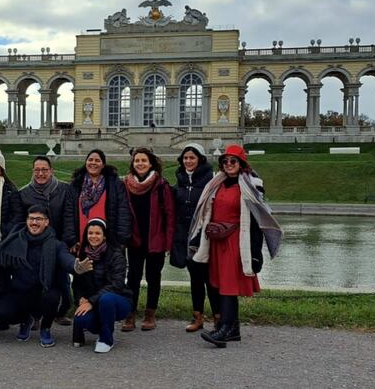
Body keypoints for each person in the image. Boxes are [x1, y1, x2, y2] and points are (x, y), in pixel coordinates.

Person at [0, 206, 93, 348]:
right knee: (2, 315)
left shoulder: (56, 245)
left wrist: (75, 266)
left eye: (38, 219)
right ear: (26, 221)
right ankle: (26, 319)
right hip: (20, 289)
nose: (34, 222)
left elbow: (66, 259)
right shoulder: (14, 241)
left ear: (46, 222)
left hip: (44, 290)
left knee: (52, 296)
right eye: (31, 218)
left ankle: (45, 328)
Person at [189, 145, 283, 348]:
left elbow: (257, 221)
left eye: (233, 161)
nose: (228, 165)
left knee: (229, 287)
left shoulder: (250, 186)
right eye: (225, 162)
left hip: (236, 242)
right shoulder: (216, 184)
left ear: (241, 164)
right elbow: (205, 213)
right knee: (220, 284)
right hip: (216, 240)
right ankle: (234, 330)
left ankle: (224, 328)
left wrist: (256, 252)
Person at [121, 148, 175, 332]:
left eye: (144, 160)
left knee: (154, 277)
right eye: (137, 160)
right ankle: (130, 313)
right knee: (133, 278)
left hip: (155, 240)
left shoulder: (161, 184)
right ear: (132, 163)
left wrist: (168, 242)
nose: (140, 163)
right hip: (135, 239)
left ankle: (150, 313)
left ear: (151, 163)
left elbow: (169, 214)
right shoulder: (126, 184)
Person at [19, 155, 76, 325]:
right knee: (36, 280)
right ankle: (36, 314)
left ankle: (62, 310)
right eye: (37, 170)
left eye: (44, 170)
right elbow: (22, 221)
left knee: (63, 281)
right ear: (32, 171)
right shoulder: (24, 193)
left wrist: (68, 241)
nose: (41, 173)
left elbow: (69, 217)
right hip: (34, 244)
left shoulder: (64, 189)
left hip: (59, 242)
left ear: (51, 171)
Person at [170, 143, 214, 332]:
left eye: (192, 158)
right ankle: (198, 317)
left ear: (200, 160)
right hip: (185, 237)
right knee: (195, 279)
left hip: (205, 237)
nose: (188, 161)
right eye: (185, 158)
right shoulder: (179, 180)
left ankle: (219, 317)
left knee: (211, 279)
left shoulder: (210, 181)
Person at [71, 218, 132, 353]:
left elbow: (117, 284)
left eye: (97, 233)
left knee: (107, 299)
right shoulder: (82, 255)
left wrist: (91, 301)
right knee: (81, 319)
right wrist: (80, 298)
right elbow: (76, 283)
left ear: (104, 236)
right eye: (90, 233)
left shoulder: (116, 255)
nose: (93, 236)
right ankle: (95, 328)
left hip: (118, 300)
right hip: (93, 302)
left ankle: (106, 340)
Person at [65, 149, 131, 250]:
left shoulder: (115, 184)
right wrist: (71, 240)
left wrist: (121, 240)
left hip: (109, 241)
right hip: (82, 240)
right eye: (90, 160)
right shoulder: (75, 185)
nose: (93, 163)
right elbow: (68, 214)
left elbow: (123, 212)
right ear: (86, 162)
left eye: (97, 160)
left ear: (103, 164)